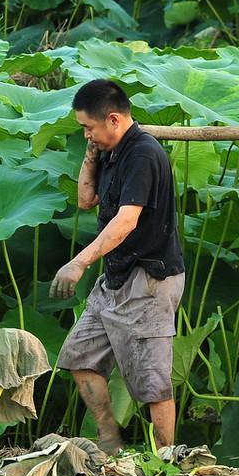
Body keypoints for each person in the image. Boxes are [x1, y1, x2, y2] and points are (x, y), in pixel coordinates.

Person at [50, 79, 186, 454]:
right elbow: (85, 199)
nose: (86, 134)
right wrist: (91, 154)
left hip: (149, 279)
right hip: (116, 276)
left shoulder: (143, 154)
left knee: (152, 382)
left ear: (112, 119)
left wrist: (78, 262)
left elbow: (126, 221)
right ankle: (110, 439)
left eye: (88, 128)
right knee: (79, 356)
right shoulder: (110, 150)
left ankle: (166, 461)